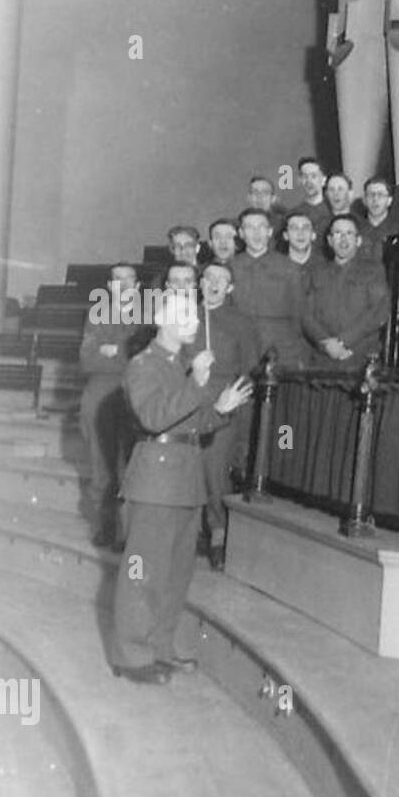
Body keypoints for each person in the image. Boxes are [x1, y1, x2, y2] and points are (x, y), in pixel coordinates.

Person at [109, 288, 253, 684]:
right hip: (155, 482)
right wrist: (197, 384)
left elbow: (188, 423)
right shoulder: (143, 365)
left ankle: (160, 647)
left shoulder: (179, 364)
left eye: (194, 313)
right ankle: (132, 656)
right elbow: (155, 418)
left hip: (184, 479)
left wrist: (219, 409)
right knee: (144, 573)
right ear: (161, 318)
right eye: (184, 313)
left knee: (175, 574)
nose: (193, 320)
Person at [188, 262, 261, 570]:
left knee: (214, 470)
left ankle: (218, 532)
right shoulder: (184, 316)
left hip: (224, 400)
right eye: (209, 278)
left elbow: (250, 371)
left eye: (222, 280)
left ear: (230, 288)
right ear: (200, 283)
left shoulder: (241, 322)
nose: (215, 283)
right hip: (188, 398)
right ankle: (188, 533)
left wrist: (235, 404)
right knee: (186, 467)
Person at [78, 263, 146, 548]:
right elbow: (87, 359)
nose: (123, 284)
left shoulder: (148, 315)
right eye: (117, 280)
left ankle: (126, 530)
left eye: (129, 279)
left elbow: (144, 358)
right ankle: (105, 525)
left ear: (139, 286)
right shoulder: (97, 314)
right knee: (101, 461)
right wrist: (123, 351)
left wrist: (112, 350)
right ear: (109, 286)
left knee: (131, 462)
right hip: (101, 389)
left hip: (138, 390)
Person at [303, 215, 391, 370]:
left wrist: (343, 341)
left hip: (359, 358)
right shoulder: (316, 272)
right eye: (337, 233)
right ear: (330, 241)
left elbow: (378, 311)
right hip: (323, 360)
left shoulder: (373, 270)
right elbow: (306, 315)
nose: (343, 239)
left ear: (358, 241)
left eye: (349, 233)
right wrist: (326, 343)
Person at [230, 207, 310, 367]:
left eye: (261, 227)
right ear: (241, 233)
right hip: (241, 351)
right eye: (250, 228)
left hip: (282, 352)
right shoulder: (230, 268)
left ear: (270, 232)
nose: (256, 233)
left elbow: (300, 316)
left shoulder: (290, 268)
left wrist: (299, 355)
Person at [352, 176, 399, 265]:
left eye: (381, 195)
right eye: (371, 195)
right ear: (364, 200)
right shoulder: (354, 229)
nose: (375, 199)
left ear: (389, 200)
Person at [287, 157, 333, 242]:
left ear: (323, 180)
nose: (309, 181)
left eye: (313, 176)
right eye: (305, 177)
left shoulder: (333, 210)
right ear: (300, 180)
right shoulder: (293, 214)